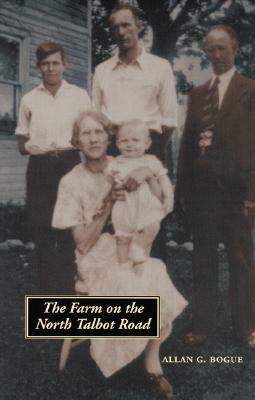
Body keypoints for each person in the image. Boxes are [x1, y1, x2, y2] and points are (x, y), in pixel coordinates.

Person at [52, 110, 187, 399]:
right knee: (128, 282)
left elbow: (161, 200)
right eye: (85, 133)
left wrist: (147, 173)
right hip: (94, 256)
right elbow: (82, 244)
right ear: (77, 141)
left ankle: (152, 360)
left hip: (129, 246)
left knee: (154, 271)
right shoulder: (71, 182)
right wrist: (108, 204)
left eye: (98, 131)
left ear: (108, 136)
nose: (93, 138)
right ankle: (117, 356)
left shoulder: (127, 160)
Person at [175, 25, 255, 348]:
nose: (216, 55)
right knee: (203, 261)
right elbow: (186, 146)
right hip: (202, 194)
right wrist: (181, 192)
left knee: (241, 261)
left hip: (236, 195)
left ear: (235, 47)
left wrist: (253, 197)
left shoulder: (253, 90)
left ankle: (245, 327)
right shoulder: (198, 94)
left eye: (222, 48)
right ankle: (203, 325)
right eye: (210, 49)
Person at [15, 42, 91, 294]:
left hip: (70, 163)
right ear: (38, 67)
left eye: (55, 63)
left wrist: (76, 143)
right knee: (43, 229)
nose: (51, 68)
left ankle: (71, 288)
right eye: (45, 64)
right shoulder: (29, 99)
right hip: (40, 167)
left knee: (70, 228)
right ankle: (47, 291)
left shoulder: (80, 95)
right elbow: (21, 142)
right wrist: (34, 146)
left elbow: (89, 132)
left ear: (64, 64)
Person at [92, 2, 178, 165]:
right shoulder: (101, 71)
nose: (121, 32)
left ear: (138, 26)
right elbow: (96, 118)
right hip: (113, 149)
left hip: (149, 147)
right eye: (115, 27)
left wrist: (151, 148)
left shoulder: (160, 67)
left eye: (126, 25)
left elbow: (169, 122)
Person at [94, 119, 174, 266]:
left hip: (145, 206)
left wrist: (169, 197)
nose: (130, 145)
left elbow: (164, 180)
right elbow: (107, 183)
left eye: (135, 140)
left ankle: (139, 248)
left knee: (152, 225)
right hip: (124, 207)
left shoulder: (151, 161)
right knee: (122, 238)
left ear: (147, 143)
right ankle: (123, 265)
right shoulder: (116, 163)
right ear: (117, 144)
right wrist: (100, 199)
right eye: (124, 141)